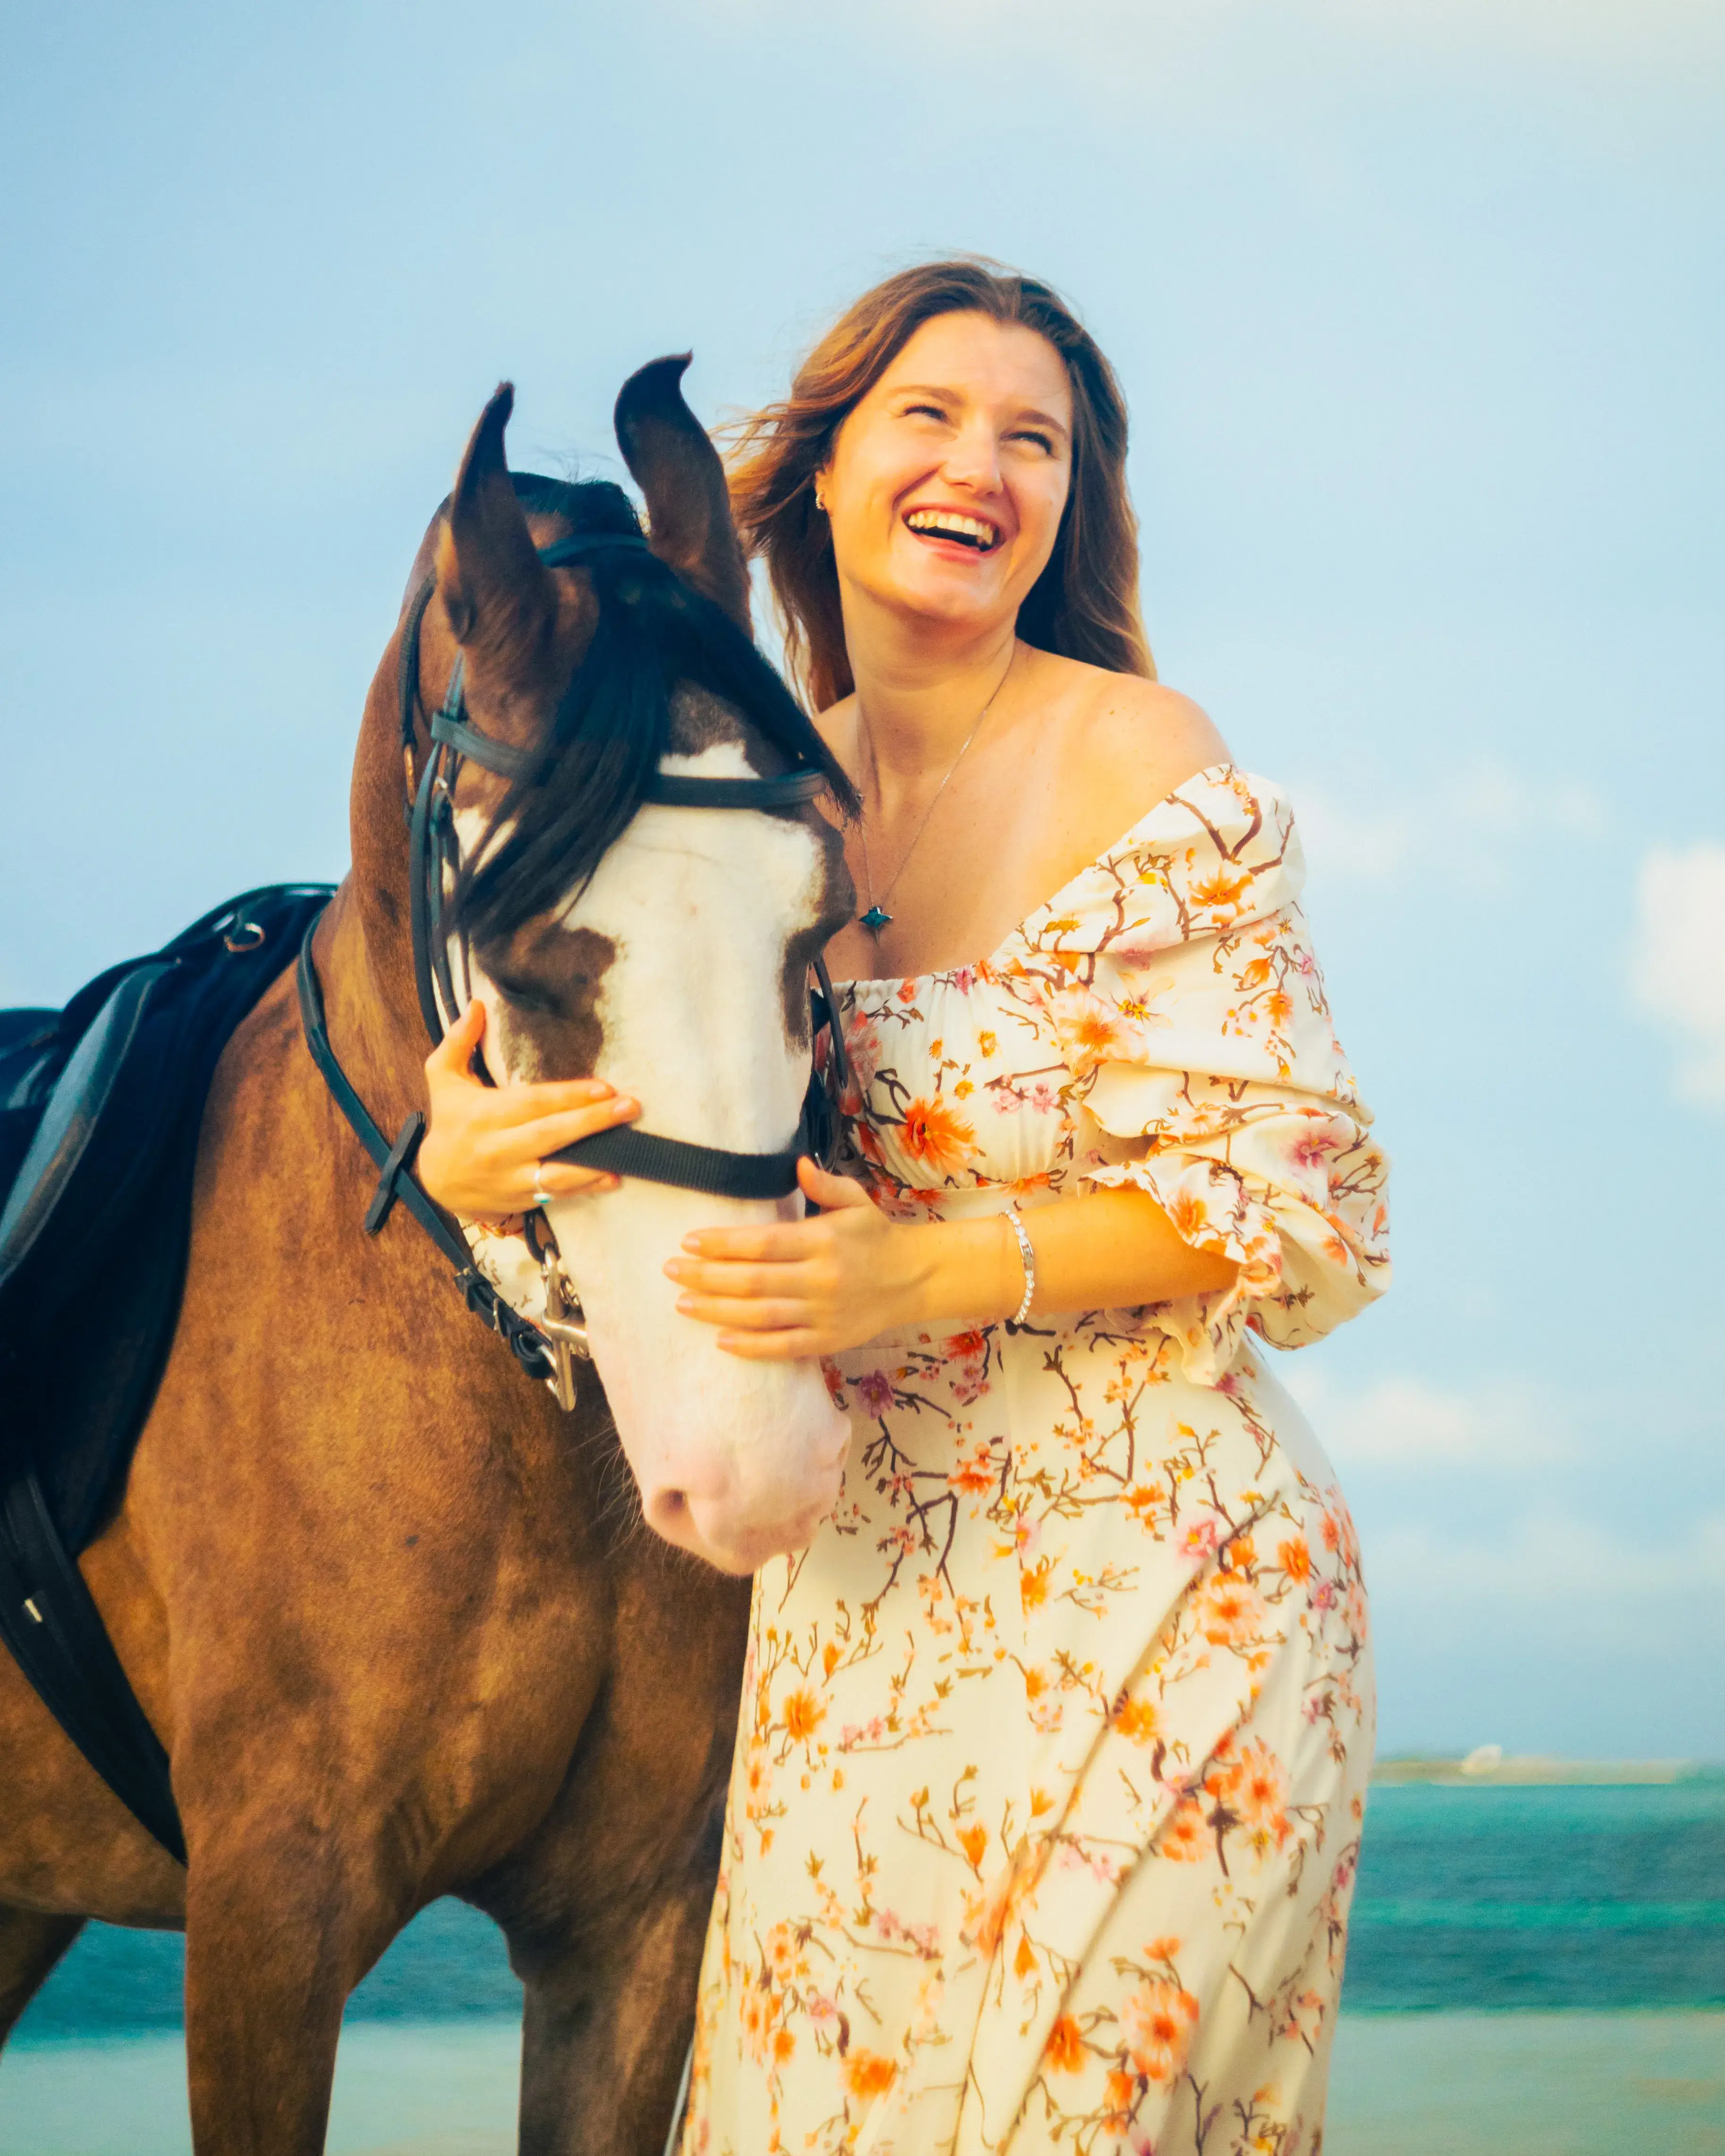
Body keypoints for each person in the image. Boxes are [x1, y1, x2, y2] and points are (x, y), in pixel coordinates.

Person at [422, 261, 1389, 2156]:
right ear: (830, 471)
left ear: (1065, 510)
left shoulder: (1139, 751)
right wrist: (478, 1186)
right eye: (930, 419)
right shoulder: (758, 801)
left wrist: (925, 1267)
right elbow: (670, 1202)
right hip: (851, 1626)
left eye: (1032, 439)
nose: (980, 464)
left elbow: (1292, 1199)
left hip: (1157, 1582)